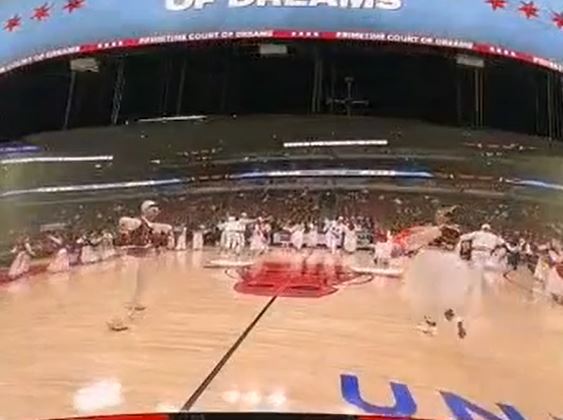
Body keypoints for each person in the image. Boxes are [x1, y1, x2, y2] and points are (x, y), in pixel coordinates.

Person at [108, 200, 171, 332]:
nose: (156, 212)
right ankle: (117, 319)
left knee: (142, 286)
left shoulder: (151, 225)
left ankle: (131, 312)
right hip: (133, 258)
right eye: (153, 209)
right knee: (129, 288)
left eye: (157, 210)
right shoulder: (137, 222)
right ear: (145, 210)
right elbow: (124, 221)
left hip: (145, 258)